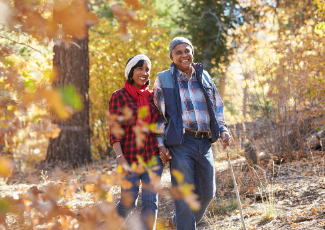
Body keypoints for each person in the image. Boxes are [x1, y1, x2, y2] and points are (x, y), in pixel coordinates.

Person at [153, 37, 231, 230]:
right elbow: (157, 116)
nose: (183, 55)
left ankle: (177, 223)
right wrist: (160, 144)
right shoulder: (163, 79)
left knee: (207, 193)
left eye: (186, 50)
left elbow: (217, 107)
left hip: (204, 142)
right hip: (180, 143)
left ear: (192, 52)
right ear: (171, 56)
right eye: (178, 52)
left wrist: (223, 129)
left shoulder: (204, 76)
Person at [109, 54, 163, 230]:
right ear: (131, 71)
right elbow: (115, 132)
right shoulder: (119, 96)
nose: (144, 73)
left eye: (147, 70)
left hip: (152, 158)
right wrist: (120, 158)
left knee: (150, 202)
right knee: (128, 203)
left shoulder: (153, 97)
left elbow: (160, 126)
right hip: (129, 158)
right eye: (140, 68)